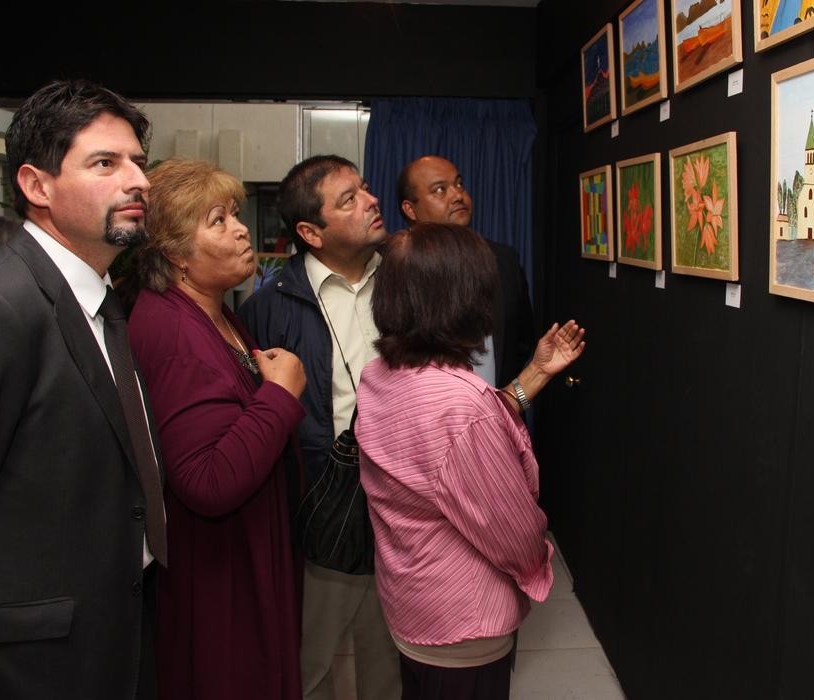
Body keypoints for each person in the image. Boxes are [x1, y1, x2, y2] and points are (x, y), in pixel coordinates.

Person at [0, 79, 163, 699]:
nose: (138, 181)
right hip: (26, 664)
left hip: (107, 633)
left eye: (138, 161)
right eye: (105, 162)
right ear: (35, 186)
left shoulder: (98, 299)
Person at [356, 223, 585, 700]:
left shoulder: (380, 374)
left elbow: (450, 443)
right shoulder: (460, 404)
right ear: (460, 299)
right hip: (461, 622)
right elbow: (513, 531)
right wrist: (538, 561)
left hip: (412, 604)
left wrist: (536, 372)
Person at [128, 159, 307, 700]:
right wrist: (279, 394)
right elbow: (206, 482)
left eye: (234, 214)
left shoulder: (217, 312)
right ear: (175, 255)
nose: (241, 227)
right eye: (218, 220)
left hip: (240, 558)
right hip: (217, 579)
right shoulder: (174, 332)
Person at [238, 155, 400, 700]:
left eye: (366, 188)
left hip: (405, 495)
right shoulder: (267, 309)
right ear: (311, 231)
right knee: (312, 654)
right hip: (320, 497)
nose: (371, 201)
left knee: (391, 647)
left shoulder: (407, 280)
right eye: (348, 199)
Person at [396, 155, 534, 388]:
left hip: (499, 412)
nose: (457, 195)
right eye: (440, 190)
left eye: (459, 184)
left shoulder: (503, 259)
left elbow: (521, 342)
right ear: (411, 209)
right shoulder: (397, 268)